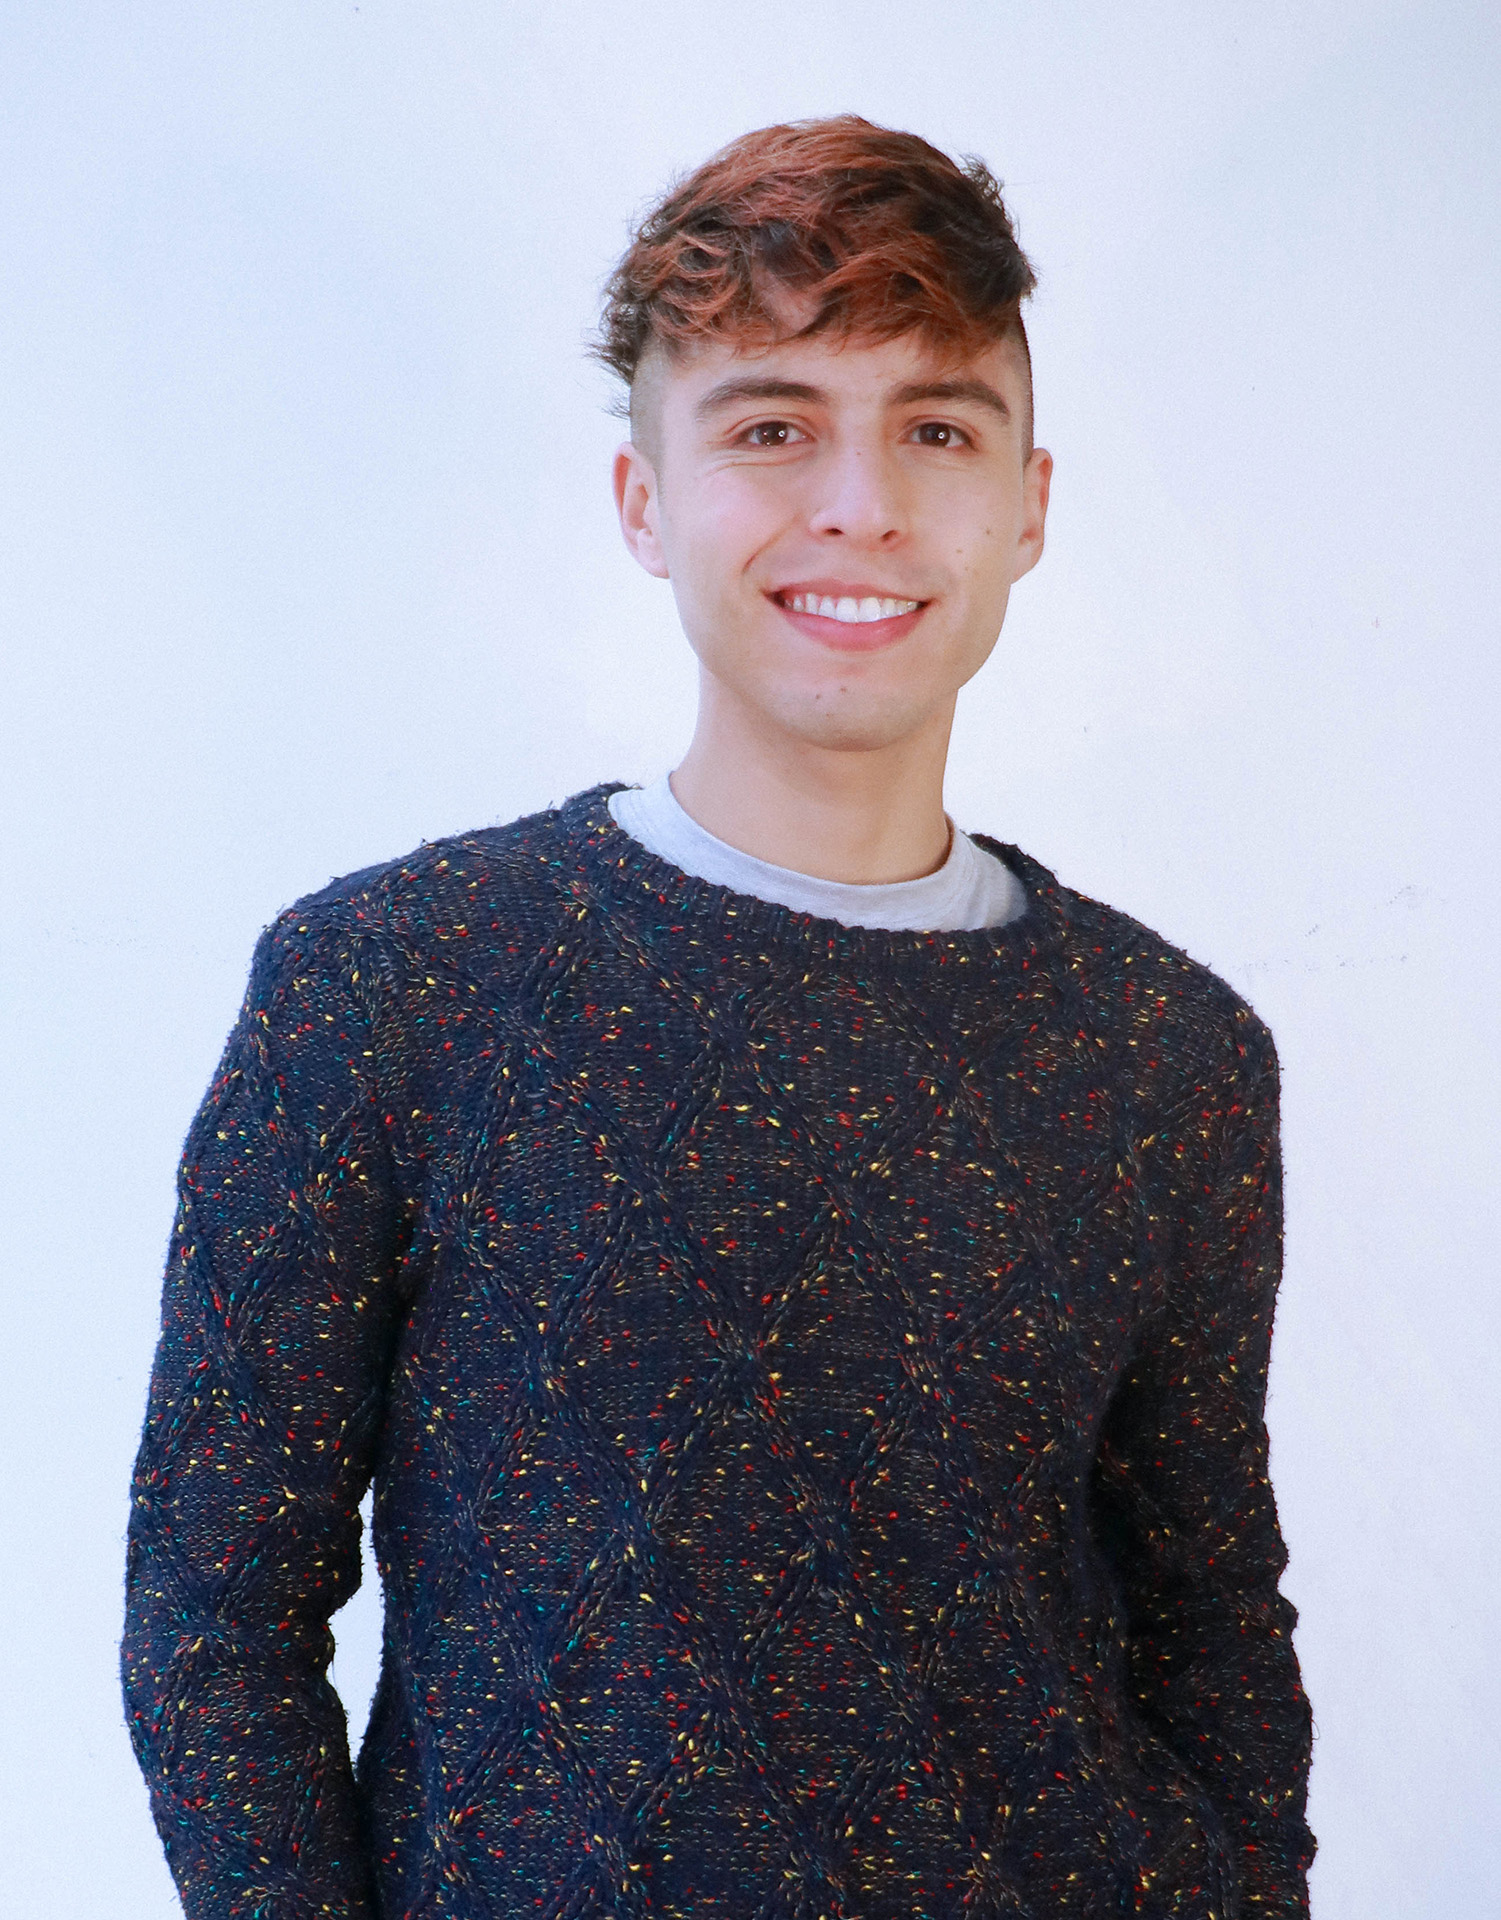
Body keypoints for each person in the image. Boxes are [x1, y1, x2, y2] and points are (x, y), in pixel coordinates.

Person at [122, 116, 1315, 1918]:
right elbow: (215, 1615)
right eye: (770, 428)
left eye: (935, 429)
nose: (860, 505)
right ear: (643, 500)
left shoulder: (1170, 1054)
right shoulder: (391, 982)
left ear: (1027, 505)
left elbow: (1210, 1616)